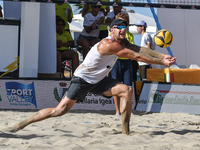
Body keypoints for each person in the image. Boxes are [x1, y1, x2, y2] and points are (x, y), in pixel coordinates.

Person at [2, 19, 176, 135]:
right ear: (112, 30)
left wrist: (161, 56)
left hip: (99, 80)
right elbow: (135, 56)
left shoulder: (121, 41)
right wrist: (163, 63)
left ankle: (125, 131)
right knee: (59, 111)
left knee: (127, 91)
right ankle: (21, 124)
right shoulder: (108, 44)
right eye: (120, 28)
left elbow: (140, 50)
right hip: (83, 80)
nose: (124, 31)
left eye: (126, 28)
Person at [110, 12, 138, 115]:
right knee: (115, 87)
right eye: (120, 23)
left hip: (127, 62)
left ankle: (126, 110)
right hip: (115, 61)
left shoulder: (129, 35)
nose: (122, 26)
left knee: (128, 88)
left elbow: (131, 50)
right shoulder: (112, 35)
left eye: (124, 23)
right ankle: (117, 111)